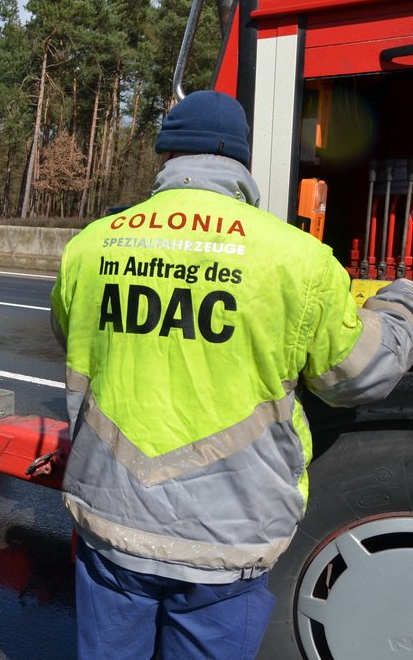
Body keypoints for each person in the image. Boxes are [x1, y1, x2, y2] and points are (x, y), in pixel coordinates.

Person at [49, 90, 413, 659]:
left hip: (112, 524)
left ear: (165, 157)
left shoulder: (90, 247)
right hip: (226, 541)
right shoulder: (298, 260)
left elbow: (72, 336)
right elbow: (360, 377)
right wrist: (399, 307)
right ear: (241, 163)